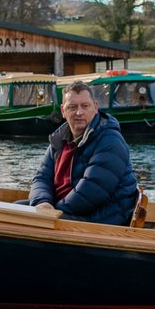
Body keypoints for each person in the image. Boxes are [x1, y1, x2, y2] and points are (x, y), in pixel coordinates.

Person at [29, 80, 139, 225]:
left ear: (95, 107)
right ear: (63, 111)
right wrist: (42, 202)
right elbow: (42, 178)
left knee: (25, 221)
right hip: (68, 209)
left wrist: (53, 211)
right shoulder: (58, 140)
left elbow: (91, 193)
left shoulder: (110, 141)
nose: (79, 112)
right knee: (15, 209)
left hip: (103, 218)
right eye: (72, 107)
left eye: (85, 106)